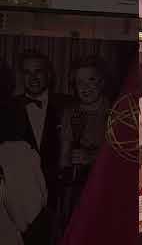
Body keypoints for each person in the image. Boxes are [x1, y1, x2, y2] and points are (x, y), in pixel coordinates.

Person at [12, 52, 71, 245]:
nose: (33, 77)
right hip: (19, 202)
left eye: (38, 71)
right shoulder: (8, 108)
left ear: (49, 75)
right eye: (27, 72)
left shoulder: (67, 104)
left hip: (60, 198)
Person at [56, 57, 110, 239]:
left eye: (91, 80)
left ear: (102, 82)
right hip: (77, 185)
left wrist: (93, 156)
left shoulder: (114, 110)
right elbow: (64, 154)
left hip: (104, 186)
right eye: (80, 82)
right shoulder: (70, 112)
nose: (85, 87)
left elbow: (121, 154)